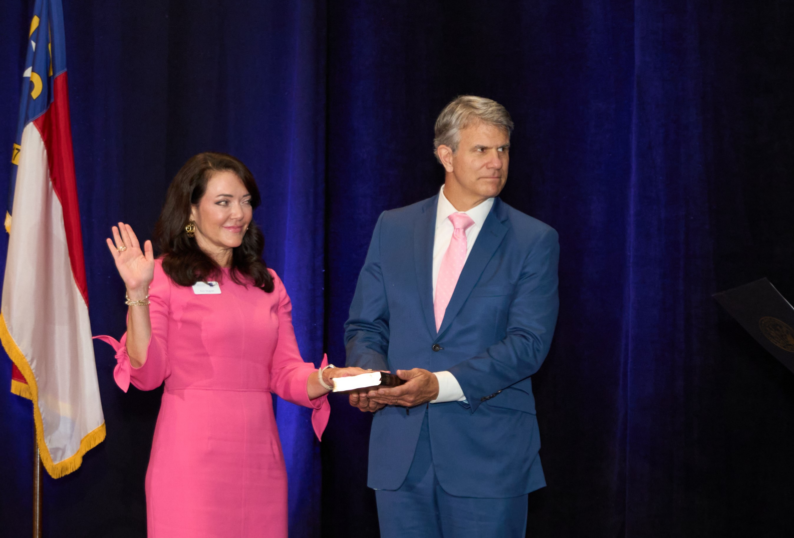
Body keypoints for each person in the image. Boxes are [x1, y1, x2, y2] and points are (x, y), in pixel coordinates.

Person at [94, 152, 368, 538]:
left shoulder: (266, 283)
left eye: (245, 201)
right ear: (190, 211)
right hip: (191, 464)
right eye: (223, 202)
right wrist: (137, 293)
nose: (238, 213)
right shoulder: (160, 276)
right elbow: (147, 373)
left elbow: (286, 372)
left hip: (261, 463)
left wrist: (330, 378)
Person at [343, 95, 559, 538]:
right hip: (399, 455)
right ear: (446, 154)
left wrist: (438, 386)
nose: (496, 162)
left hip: (489, 458)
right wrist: (373, 381)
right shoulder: (394, 227)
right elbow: (366, 325)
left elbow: (529, 343)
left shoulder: (534, 239)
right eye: (481, 150)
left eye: (503, 150)